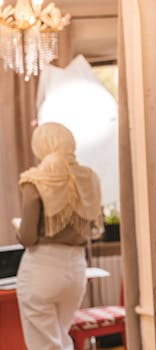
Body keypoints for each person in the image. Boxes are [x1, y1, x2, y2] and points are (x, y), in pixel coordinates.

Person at [16, 122, 104, 350]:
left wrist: (18, 227)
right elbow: (92, 225)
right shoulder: (89, 178)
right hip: (75, 269)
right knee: (62, 339)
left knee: (43, 344)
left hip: (42, 268)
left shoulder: (36, 180)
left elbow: (28, 238)